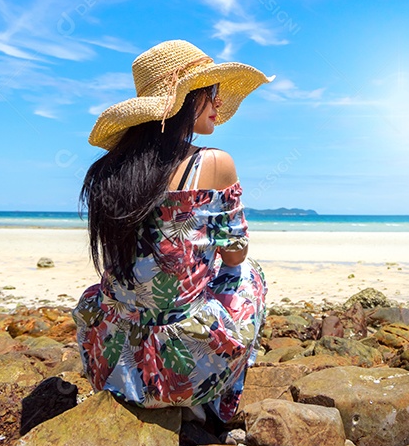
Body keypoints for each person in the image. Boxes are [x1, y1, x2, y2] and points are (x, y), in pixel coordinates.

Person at [72, 39, 275, 423]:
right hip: (180, 371)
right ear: (185, 101)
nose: (217, 103)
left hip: (111, 362)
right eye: (210, 94)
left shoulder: (106, 172)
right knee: (250, 275)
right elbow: (235, 253)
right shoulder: (213, 163)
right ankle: (216, 404)